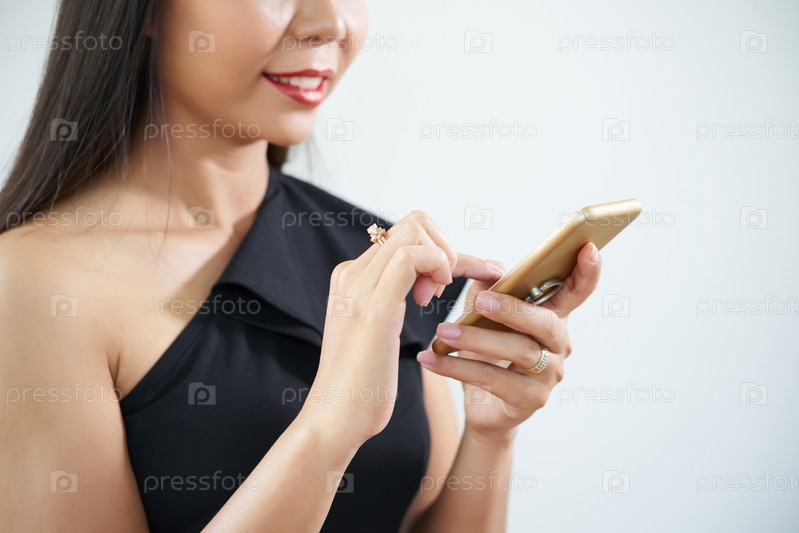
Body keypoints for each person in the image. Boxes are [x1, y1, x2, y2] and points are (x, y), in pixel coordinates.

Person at [0, 1, 602, 531]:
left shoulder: (375, 252)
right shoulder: (33, 286)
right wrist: (330, 428)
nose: (330, 23)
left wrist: (491, 435)